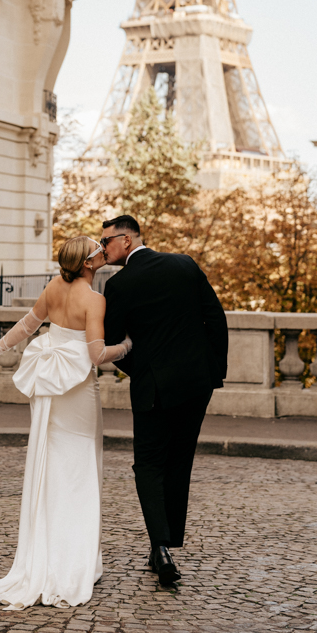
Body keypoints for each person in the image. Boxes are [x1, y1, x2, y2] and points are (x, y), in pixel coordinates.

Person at [0, 235, 132, 611]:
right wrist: (129, 346)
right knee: (81, 467)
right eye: (98, 250)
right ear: (88, 263)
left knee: (52, 467)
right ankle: (75, 563)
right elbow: (98, 353)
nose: (103, 251)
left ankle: (53, 554)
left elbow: (25, 327)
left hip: (50, 391)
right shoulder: (95, 300)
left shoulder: (54, 288)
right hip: (77, 391)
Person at [101, 214, 229, 587]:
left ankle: (160, 548)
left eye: (106, 240)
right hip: (196, 384)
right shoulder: (184, 263)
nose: (102, 247)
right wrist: (211, 372)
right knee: (179, 460)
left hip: (153, 388)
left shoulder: (119, 285)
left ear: (126, 240)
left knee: (149, 465)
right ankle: (166, 543)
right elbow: (215, 319)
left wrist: (142, 372)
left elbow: (114, 346)